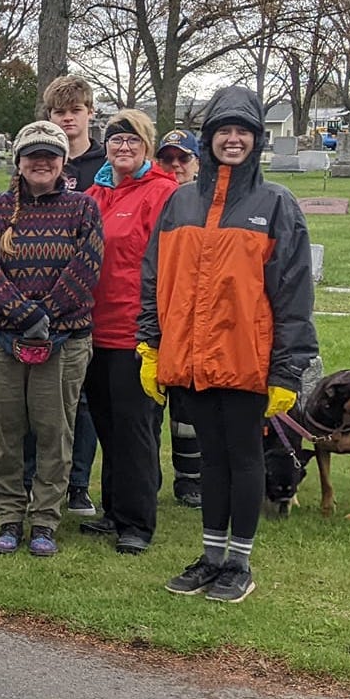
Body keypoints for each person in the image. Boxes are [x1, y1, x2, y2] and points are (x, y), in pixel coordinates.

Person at [141, 87, 317, 604]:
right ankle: (211, 556)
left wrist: (288, 371)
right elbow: (155, 278)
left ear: (257, 140)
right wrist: (150, 344)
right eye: (224, 131)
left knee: (244, 459)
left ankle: (239, 561)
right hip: (189, 358)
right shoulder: (180, 202)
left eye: (243, 131)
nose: (233, 139)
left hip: (247, 359)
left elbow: (293, 291)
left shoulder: (275, 204)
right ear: (208, 138)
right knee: (209, 460)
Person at [0, 120, 103, 557]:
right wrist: (23, 313)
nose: (41, 161)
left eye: (50, 154)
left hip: (64, 339)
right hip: (0, 337)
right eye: (33, 154)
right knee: (5, 432)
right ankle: (9, 515)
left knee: (54, 433)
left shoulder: (83, 209)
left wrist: (47, 314)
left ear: (63, 162)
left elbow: (86, 269)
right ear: (19, 161)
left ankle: (45, 519)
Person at [77, 110, 177, 554]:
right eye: (115, 140)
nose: (122, 147)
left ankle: (137, 522)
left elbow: (167, 265)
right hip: (92, 330)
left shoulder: (162, 194)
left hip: (135, 331)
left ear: (146, 146)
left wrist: (157, 329)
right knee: (107, 426)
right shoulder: (94, 193)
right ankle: (113, 511)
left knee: (136, 429)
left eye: (132, 140)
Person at [29, 73, 103, 517]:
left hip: (84, 297)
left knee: (83, 399)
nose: (68, 119)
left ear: (89, 113)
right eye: (59, 112)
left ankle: (77, 483)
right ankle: (33, 479)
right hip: (35, 300)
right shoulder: (42, 161)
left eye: (75, 111)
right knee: (38, 400)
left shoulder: (102, 162)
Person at [155, 127, 202, 506]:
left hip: (194, 318)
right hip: (156, 311)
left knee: (188, 411)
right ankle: (147, 478)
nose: (174, 166)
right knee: (148, 408)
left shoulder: (201, 202)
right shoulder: (155, 197)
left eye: (182, 159)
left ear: (196, 163)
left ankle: (190, 480)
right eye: (166, 159)